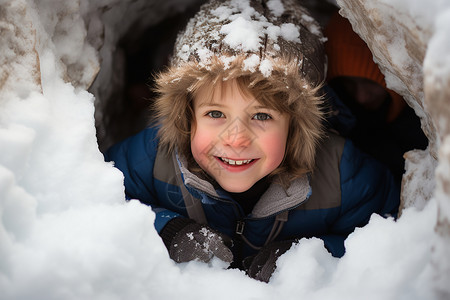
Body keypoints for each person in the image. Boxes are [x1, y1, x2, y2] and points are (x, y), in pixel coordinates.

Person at [104, 0, 399, 283]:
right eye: (216, 113)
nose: (236, 138)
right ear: (187, 117)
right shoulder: (155, 155)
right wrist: (170, 230)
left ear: (296, 126)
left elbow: (383, 240)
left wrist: (308, 255)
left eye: (261, 116)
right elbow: (105, 199)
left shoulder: (341, 174)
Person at [323, 11, 428, 184]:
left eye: (371, 83)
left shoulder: (426, 132)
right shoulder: (334, 129)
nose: (362, 97)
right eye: (348, 85)